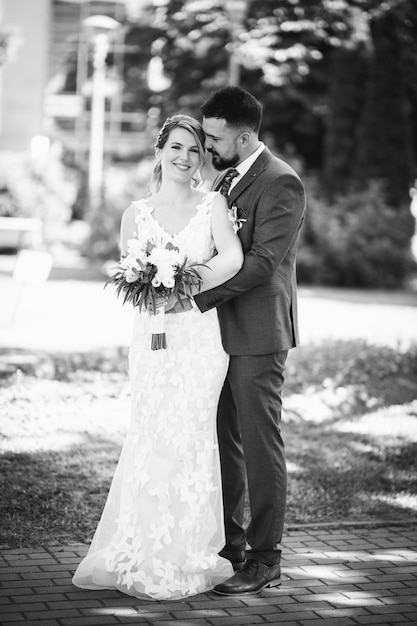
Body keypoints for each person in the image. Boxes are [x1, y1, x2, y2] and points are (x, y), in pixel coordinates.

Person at [72, 114, 243, 601]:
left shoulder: (214, 203)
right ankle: (141, 548)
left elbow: (231, 258)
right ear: (160, 151)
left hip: (199, 340)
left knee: (189, 436)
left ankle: (185, 552)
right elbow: (130, 274)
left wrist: (185, 283)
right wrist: (152, 291)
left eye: (195, 150)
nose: (186, 158)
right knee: (150, 434)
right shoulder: (136, 213)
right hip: (152, 339)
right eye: (177, 148)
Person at [194, 86, 306, 596]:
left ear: (244, 135)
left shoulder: (281, 182)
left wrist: (195, 297)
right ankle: (232, 546)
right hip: (216, 336)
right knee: (227, 444)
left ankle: (266, 558)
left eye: (215, 137)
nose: (207, 145)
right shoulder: (228, 177)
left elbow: (262, 263)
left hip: (258, 333)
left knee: (261, 446)